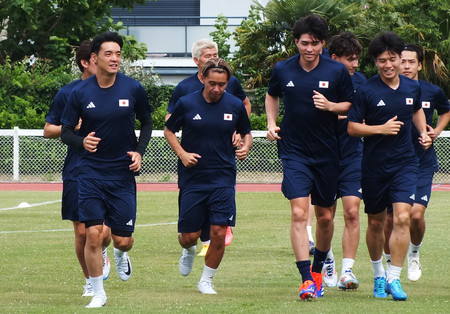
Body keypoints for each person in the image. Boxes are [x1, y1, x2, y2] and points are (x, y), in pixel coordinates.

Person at [61, 31, 153, 308]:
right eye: (108, 54)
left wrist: (139, 151)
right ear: (94, 58)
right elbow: (65, 131)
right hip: (89, 173)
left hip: (122, 175)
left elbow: (147, 124)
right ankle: (98, 292)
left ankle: (121, 254)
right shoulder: (79, 93)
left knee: (123, 240)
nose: (115, 59)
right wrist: (81, 141)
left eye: (118, 54)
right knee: (92, 233)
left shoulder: (133, 88)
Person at [265, 15, 354, 300]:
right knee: (298, 213)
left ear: (323, 44)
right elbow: (271, 96)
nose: (309, 48)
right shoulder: (282, 69)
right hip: (294, 151)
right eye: (304, 43)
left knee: (325, 218)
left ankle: (318, 272)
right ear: (296, 42)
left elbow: (349, 104)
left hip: (327, 153)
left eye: (315, 43)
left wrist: (330, 106)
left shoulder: (336, 71)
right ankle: (306, 279)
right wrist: (270, 122)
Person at [347, 32, 432, 301]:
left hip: (406, 163)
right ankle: (378, 276)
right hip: (374, 166)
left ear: (399, 59)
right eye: (382, 60)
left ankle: (395, 279)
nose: (388, 65)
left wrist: (423, 132)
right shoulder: (366, 90)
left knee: (404, 217)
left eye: (392, 59)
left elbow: (416, 109)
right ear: (376, 61)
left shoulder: (411, 87)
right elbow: (351, 127)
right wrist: (379, 129)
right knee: (375, 223)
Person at [164, 58, 252, 294]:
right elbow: (169, 130)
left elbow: (247, 132)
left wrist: (245, 146)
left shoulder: (235, 105)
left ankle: (206, 280)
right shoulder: (186, 103)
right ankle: (189, 249)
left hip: (223, 178)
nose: (216, 89)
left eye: (222, 84)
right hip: (193, 178)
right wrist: (182, 153)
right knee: (188, 236)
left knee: (218, 233)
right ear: (202, 78)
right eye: (212, 83)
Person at [43, 40, 112, 297]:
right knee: (82, 232)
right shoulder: (68, 93)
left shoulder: (121, 88)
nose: (108, 61)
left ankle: (106, 247)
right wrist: (71, 126)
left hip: (112, 167)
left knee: (104, 231)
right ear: (86, 62)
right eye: (99, 58)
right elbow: (48, 129)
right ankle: (89, 282)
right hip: (78, 167)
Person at [383, 43, 450, 281]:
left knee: (415, 216)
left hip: (422, 163)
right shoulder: (385, 89)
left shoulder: (431, 91)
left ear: (420, 64)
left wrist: (436, 131)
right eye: (403, 61)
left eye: (412, 61)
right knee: (390, 218)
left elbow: (446, 111)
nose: (407, 66)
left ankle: (413, 253)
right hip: (391, 163)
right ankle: (390, 265)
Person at [320, 31, 366, 290]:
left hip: (352, 156)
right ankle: (327, 259)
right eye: (350, 59)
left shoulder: (361, 82)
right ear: (334, 58)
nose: (355, 64)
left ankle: (348, 272)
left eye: (357, 59)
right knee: (326, 218)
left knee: (351, 212)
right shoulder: (318, 78)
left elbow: (365, 117)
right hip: (322, 158)